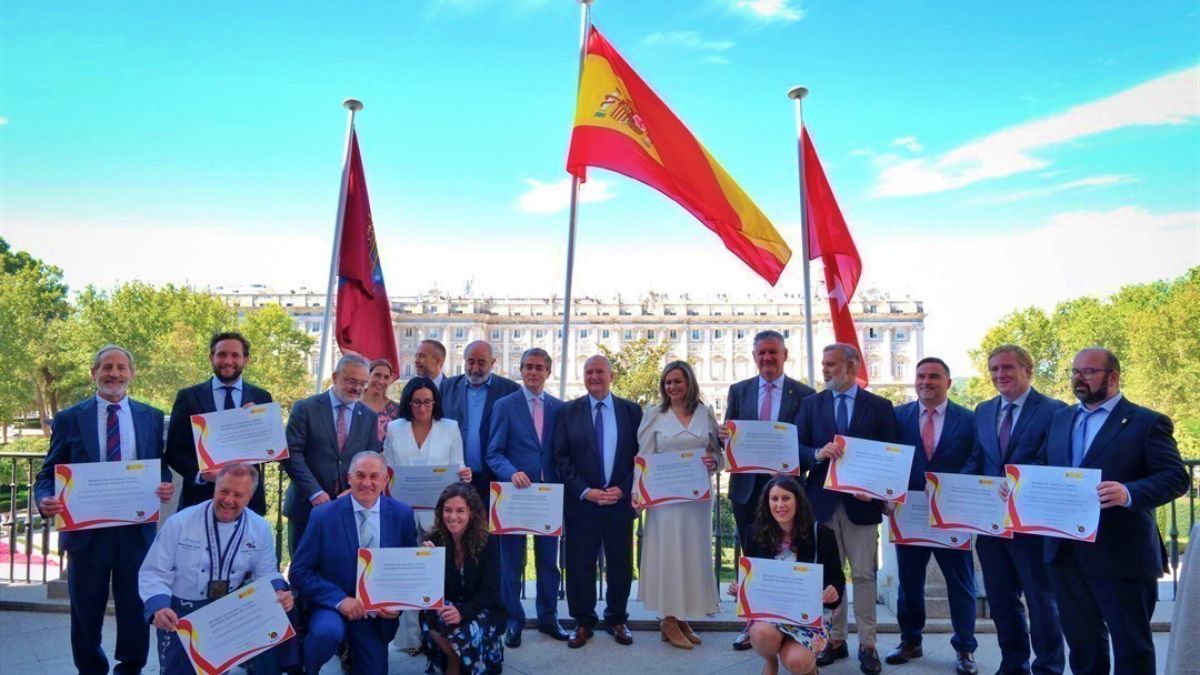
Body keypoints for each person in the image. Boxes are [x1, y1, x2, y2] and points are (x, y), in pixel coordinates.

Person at [1039, 347, 1188, 675]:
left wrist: (1129, 492)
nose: (1079, 378)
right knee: (1082, 645)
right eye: (1075, 371)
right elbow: (1045, 464)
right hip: (1065, 554)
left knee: (1131, 647)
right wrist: (1020, 484)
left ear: (1114, 377)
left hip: (1122, 554)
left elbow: (1176, 478)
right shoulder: (1060, 418)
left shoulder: (1147, 422)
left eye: (1089, 372)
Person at [34, 345, 175, 675]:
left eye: (121, 367)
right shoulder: (70, 418)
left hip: (135, 535)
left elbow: (160, 468)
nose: (115, 373)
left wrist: (164, 483)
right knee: (86, 615)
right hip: (86, 536)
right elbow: (48, 472)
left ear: (132, 374)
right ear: (93, 373)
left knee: (135, 610)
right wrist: (45, 500)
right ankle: (91, 670)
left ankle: (130, 669)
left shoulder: (150, 416)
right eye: (107, 367)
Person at [796, 343, 898, 675]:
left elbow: (891, 455)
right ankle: (834, 641)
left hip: (862, 506)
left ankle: (868, 645)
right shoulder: (811, 404)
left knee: (865, 576)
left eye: (831, 364)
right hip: (821, 504)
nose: (824, 369)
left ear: (851, 367)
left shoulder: (879, 406)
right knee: (829, 576)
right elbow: (796, 448)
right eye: (823, 364)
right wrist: (815, 453)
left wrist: (880, 492)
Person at [139, 464, 299, 674]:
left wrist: (280, 590)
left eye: (238, 495)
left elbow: (267, 572)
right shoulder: (180, 522)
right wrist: (159, 607)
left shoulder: (259, 528)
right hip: (181, 613)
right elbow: (153, 572)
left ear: (249, 497)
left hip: (228, 612)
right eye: (223, 491)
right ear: (214, 488)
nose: (228, 500)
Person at [963, 344, 1065, 675]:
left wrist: (1020, 481)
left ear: (1028, 370)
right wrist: (954, 488)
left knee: (1041, 602)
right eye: (994, 369)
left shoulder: (1055, 411)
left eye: (1007, 368)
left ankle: (1048, 667)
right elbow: (979, 457)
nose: (999, 375)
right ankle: (1013, 664)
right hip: (992, 525)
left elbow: (1054, 458)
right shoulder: (983, 410)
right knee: (1002, 602)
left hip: (1031, 525)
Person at [720, 330, 815, 651]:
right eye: (761, 353)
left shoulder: (803, 394)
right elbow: (728, 436)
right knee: (752, 556)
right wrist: (726, 437)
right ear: (754, 355)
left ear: (785, 355)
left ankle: (788, 622)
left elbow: (806, 443)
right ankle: (753, 624)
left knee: (791, 554)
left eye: (773, 352)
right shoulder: (739, 390)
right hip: (747, 488)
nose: (767, 358)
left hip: (787, 489)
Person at [289, 451, 419, 675]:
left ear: (385, 479)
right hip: (332, 606)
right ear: (349, 478)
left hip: (375, 615)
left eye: (374, 476)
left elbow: (408, 570)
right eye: (360, 475)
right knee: (325, 633)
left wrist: (397, 605)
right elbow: (300, 571)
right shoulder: (323, 515)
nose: (366, 483)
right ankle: (305, 668)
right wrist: (339, 600)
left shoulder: (402, 514)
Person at [887, 358, 978, 675]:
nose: (927, 381)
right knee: (909, 583)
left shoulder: (969, 419)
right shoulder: (897, 417)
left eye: (934, 376)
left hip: (952, 513)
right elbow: (887, 457)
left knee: (961, 584)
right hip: (908, 512)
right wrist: (886, 493)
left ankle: (965, 648)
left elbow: (976, 458)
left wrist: (950, 488)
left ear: (948, 383)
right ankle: (910, 640)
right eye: (921, 376)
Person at [553, 354, 643, 648]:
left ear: (611, 376)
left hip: (619, 502)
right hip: (583, 504)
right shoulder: (569, 411)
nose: (594, 377)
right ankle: (583, 622)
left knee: (620, 563)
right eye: (589, 372)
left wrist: (623, 488)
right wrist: (584, 491)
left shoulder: (632, 411)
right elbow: (561, 458)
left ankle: (617, 618)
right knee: (580, 564)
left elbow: (640, 458)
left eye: (600, 372)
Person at [634, 360, 723, 650]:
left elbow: (717, 453)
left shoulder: (705, 413)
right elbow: (643, 458)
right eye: (667, 382)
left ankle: (681, 616)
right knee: (668, 555)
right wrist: (639, 492)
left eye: (677, 382)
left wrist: (714, 462)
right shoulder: (655, 416)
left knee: (691, 555)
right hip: (665, 500)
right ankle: (668, 619)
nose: (671, 387)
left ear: (689, 383)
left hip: (696, 499)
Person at [484, 348, 570, 647]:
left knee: (549, 563)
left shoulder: (560, 408)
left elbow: (562, 452)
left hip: (547, 498)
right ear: (520, 371)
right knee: (511, 563)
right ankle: (513, 621)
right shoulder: (505, 406)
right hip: (515, 497)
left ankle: (549, 618)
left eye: (539, 367)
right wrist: (511, 472)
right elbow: (493, 453)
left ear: (548, 371)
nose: (533, 372)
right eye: (528, 367)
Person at [726, 475, 844, 675]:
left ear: (797, 500)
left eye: (786, 498)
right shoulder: (755, 533)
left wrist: (833, 592)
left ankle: (810, 667)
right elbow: (752, 577)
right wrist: (740, 590)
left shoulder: (821, 534)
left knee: (798, 663)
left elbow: (836, 577)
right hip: (771, 616)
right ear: (767, 503)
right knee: (761, 634)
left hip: (808, 618)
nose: (780, 505)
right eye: (774, 499)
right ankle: (770, 661)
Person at [280, 354, 382, 555]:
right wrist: (315, 493)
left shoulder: (369, 416)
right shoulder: (306, 408)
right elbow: (292, 454)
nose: (358, 388)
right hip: (306, 506)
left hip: (348, 506)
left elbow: (371, 458)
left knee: (340, 570)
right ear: (335, 377)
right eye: (352, 381)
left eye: (363, 383)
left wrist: (354, 490)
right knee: (302, 570)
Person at [165, 331, 274, 515]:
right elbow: (175, 451)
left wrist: (259, 423)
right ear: (211, 357)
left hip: (247, 500)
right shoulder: (188, 397)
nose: (227, 361)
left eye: (235, 355)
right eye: (221, 354)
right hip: (198, 498)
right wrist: (203, 475)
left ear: (246, 359)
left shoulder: (261, 398)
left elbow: (271, 449)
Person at [419, 483, 507, 674]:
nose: (453, 517)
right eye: (447, 510)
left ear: (471, 513)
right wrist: (427, 563)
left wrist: (462, 611)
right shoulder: (434, 539)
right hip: (445, 605)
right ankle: (454, 660)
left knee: (463, 634)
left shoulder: (487, 541)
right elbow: (428, 592)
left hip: (478, 606)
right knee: (435, 621)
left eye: (460, 511)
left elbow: (490, 591)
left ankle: (455, 663)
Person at [384, 377, 472, 533]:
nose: (422, 408)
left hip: (437, 514)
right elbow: (387, 469)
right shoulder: (394, 428)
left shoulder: (450, 428)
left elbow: (458, 466)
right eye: (416, 402)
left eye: (427, 402)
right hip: (402, 512)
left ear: (435, 402)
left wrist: (465, 474)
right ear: (408, 402)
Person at [441, 341, 520, 503]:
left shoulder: (510, 390)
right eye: (471, 362)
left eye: (482, 363)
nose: (475, 369)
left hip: (493, 478)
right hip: (456, 477)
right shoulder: (447, 387)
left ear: (493, 363)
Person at [363, 358, 402, 442]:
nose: (381, 381)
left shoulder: (397, 410)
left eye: (386, 377)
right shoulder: (352, 405)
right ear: (367, 375)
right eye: (377, 375)